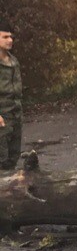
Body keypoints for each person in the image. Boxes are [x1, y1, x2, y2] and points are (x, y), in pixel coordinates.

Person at [0, 19, 22, 171]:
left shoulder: (13, 61)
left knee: (13, 157)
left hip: (15, 115)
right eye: (5, 37)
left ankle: (9, 193)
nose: (10, 40)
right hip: (2, 117)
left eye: (11, 37)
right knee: (1, 159)